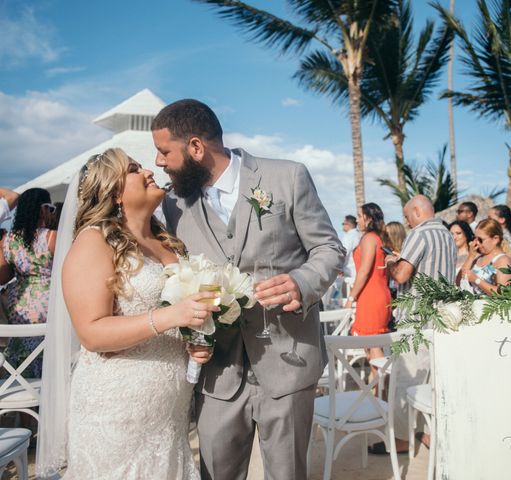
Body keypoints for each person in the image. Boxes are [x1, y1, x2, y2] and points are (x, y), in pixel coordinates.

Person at [151, 99, 344, 480]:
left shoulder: (287, 177)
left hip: (288, 363)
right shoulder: (173, 204)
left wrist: (302, 282)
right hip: (217, 373)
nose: (159, 162)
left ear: (195, 147)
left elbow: (329, 248)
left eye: (163, 151)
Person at [36, 148, 218, 479]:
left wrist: (192, 341)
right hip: (115, 416)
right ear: (114, 191)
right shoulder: (93, 242)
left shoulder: (169, 243)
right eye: (134, 169)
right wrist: (170, 318)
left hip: (169, 418)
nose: (149, 171)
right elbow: (92, 333)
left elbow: (173, 317)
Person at [373, 195, 456, 456]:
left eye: (408, 217)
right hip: (440, 317)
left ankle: (402, 439)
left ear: (418, 211)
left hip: (415, 318)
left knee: (405, 378)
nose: (408, 223)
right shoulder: (446, 235)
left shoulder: (419, 234)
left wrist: (390, 263)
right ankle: (428, 432)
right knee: (431, 377)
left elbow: (402, 274)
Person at [0, 188, 56, 377]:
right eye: (51, 209)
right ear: (43, 209)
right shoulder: (51, 237)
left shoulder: (9, 240)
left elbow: (4, 277)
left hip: (19, 304)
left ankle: (21, 381)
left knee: (21, 346)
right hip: (49, 301)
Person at [345, 203, 391, 380]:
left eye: (360, 216)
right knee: (371, 349)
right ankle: (379, 394)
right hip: (376, 294)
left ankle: (383, 395)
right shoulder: (377, 238)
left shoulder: (369, 238)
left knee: (374, 348)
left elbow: (364, 271)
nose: (357, 220)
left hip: (371, 297)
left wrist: (351, 297)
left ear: (369, 218)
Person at [460, 218, 511, 295]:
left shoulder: (503, 261)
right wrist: (471, 257)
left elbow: (503, 293)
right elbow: (459, 281)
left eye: (480, 240)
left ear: (495, 239)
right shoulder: (478, 258)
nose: (476, 243)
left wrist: (476, 280)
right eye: (475, 238)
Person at [384, 221, 406, 299]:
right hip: (390, 293)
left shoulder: (406, 253)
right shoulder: (387, 252)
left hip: (402, 294)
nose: (384, 238)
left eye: (386, 235)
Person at [448, 220, 475, 285]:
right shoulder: (447, 256)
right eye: (451, 234)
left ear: (466, 234)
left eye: (458, 233)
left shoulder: (474, 254)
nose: (454, 237)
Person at [340, 214, 361, 283]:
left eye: (343, 223)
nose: (342, 226)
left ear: (348, 224)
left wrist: (338, 268)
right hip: (358, 272)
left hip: (349, 274)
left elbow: (342, 253)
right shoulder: (359, 235)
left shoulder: (348, 236)